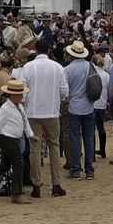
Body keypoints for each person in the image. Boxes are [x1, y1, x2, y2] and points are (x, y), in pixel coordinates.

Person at [21, 45, 68, 198]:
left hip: (33, 112)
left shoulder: (28, 67)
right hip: (52, 112)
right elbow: (64, 92)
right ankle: (56, 184)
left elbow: (23, 91)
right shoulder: (58, 67)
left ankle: (36, 185)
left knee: (35, 148)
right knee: (54, 147)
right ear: (48, 51)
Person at [62, 40, 96, 179]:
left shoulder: (68, 69)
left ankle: (75, 169)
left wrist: (66, 100)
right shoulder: (90, 66)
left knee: (75, 138)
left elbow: (64, 91)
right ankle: (89, 169)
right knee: (89, 138)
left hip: (74, 106)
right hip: (89, 106)